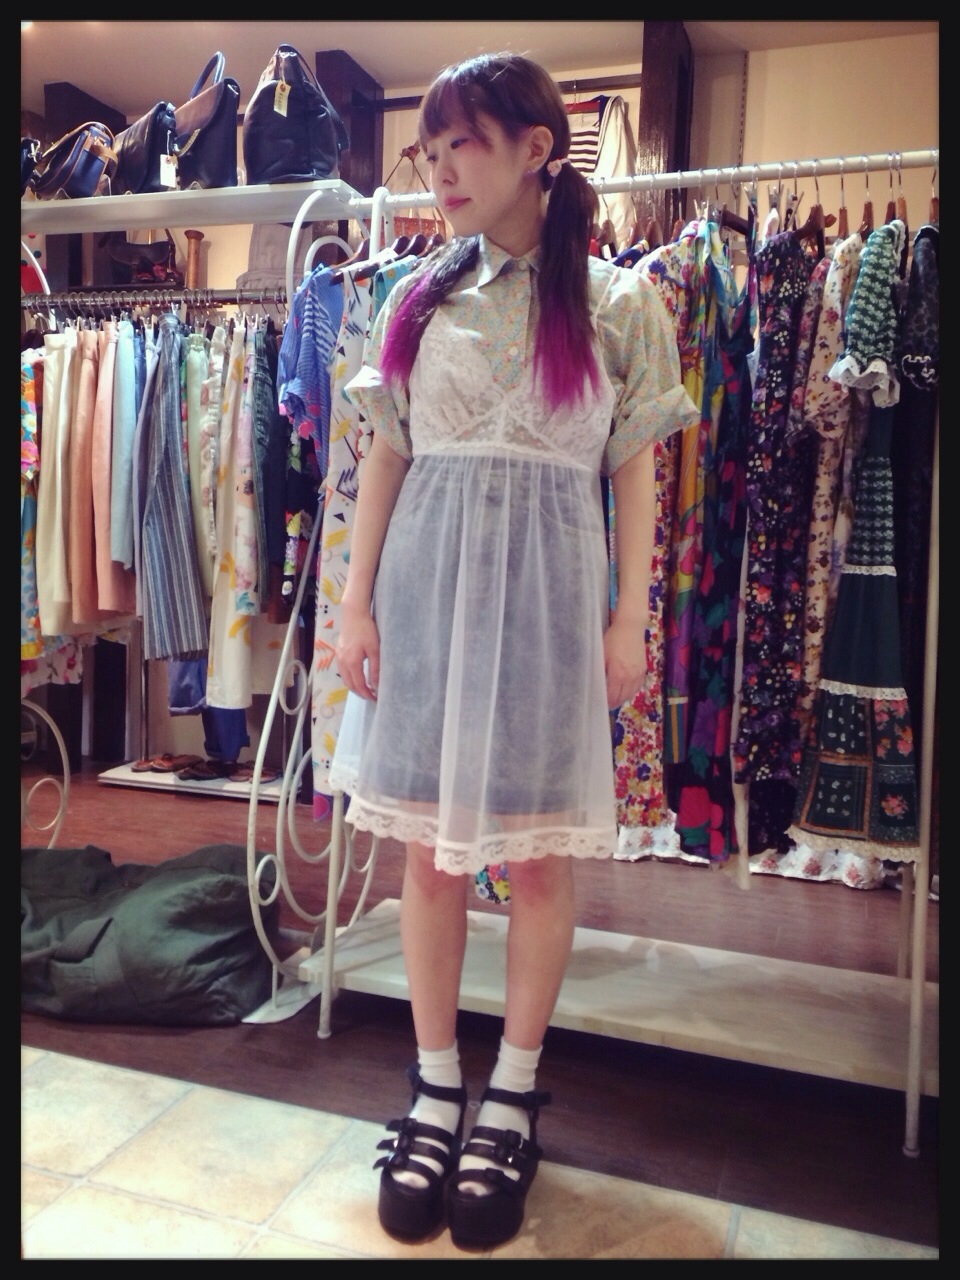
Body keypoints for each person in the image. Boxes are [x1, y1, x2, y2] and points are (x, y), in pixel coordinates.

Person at [330, 51, 699, 1249]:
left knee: (536, 861)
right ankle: (436, 1081)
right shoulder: (412, 295)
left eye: (464, 146)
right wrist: (355, 605)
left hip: (550, 605)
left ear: (538, 149)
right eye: (429, 150)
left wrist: (630, 614)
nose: (439, 171)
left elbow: (636, 466)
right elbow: (385, 455)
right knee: (430, 855)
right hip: (424, 595)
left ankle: (514, 1091)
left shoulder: (622, 301)